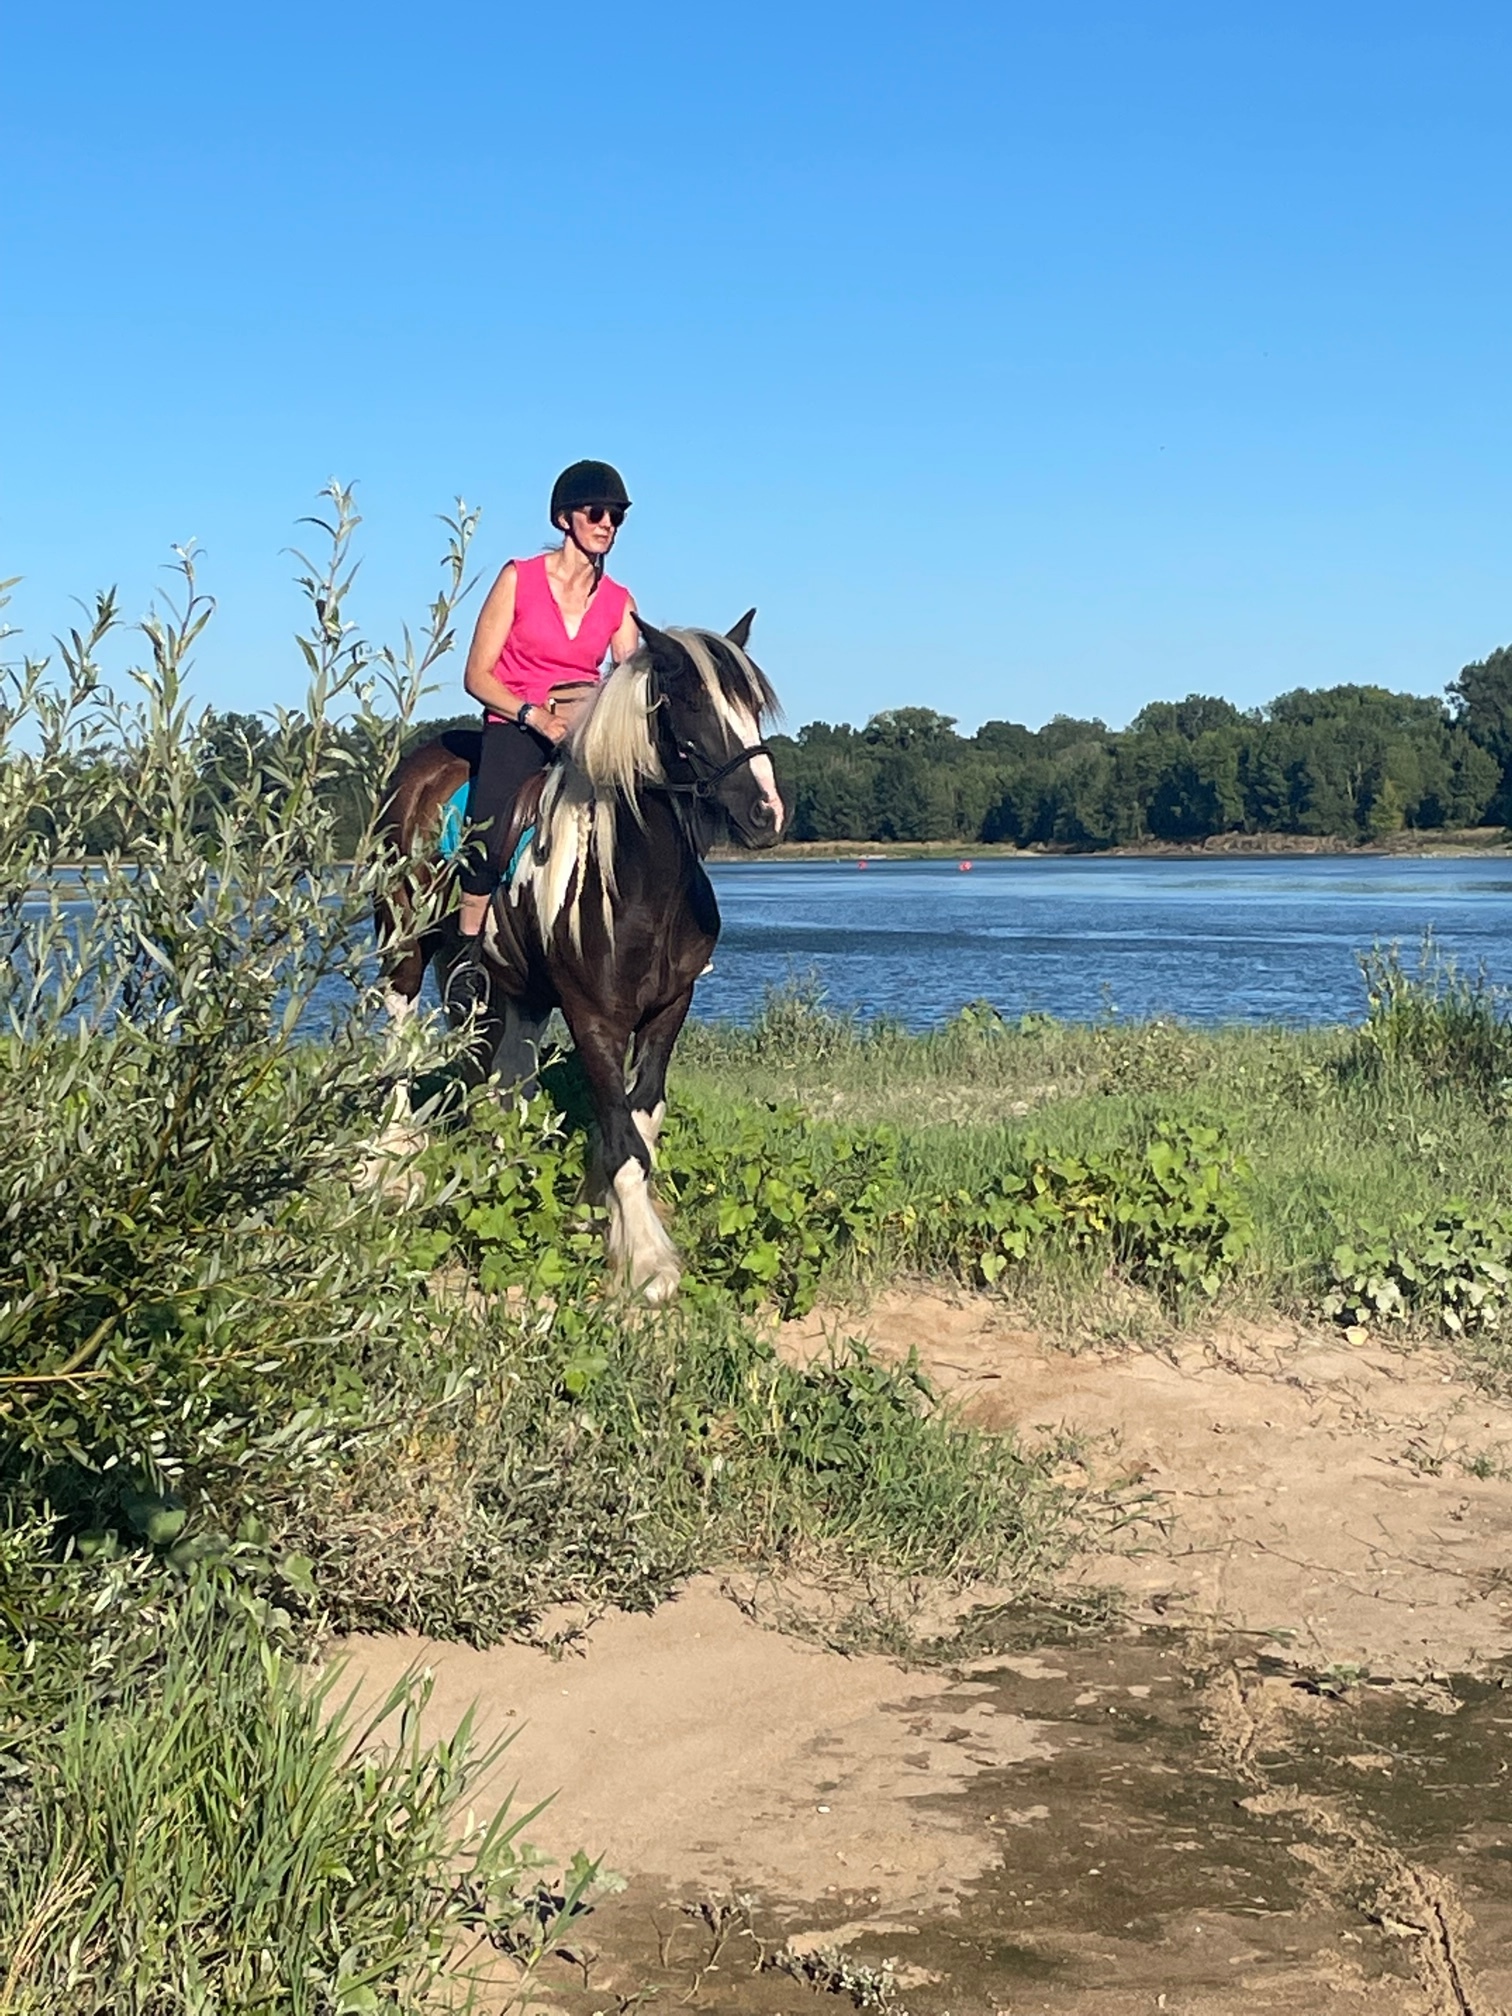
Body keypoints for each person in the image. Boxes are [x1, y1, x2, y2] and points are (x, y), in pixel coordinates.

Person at [448, 460, 639, 1016]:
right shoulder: (518, 579)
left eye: (617, 517)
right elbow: (476, 675)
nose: (607, 524)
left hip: (585, 731)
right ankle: (466, 956)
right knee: (492, 828)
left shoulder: (619, 601)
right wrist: (534, 717)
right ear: (564, 519)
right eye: (596, 513)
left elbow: (628, 678)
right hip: (518, 720)